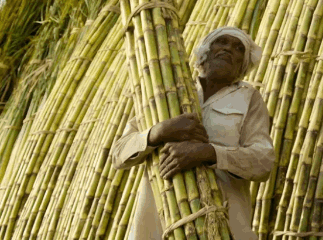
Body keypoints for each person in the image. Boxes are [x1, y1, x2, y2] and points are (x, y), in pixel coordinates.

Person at [111, 26, 275, 240]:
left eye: (238, 48)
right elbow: (118, 154)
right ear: (204, 54)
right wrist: (159, 131)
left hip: (224, 224)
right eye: (222, 42)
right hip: (158, 224)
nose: (228, 49)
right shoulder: (165, 90)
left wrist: (209, 153)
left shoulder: (249, 99)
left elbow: (263, 161)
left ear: (242, 66)